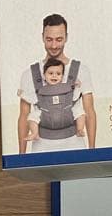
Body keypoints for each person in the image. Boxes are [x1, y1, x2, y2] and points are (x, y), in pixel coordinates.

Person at [17, 14, 96, 153]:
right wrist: (21, 155)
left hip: (75, 144)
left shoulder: (81, 70)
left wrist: (92, 151)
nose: (54, 45)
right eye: (49, 39)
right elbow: (24, 116)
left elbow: (89, 111)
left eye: (59, 39)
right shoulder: (28, 74)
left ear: (66, 37)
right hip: (41, 146)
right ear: (42, 37)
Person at [24, 56, 86, 142]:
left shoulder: (67, 87)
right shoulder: (41, 89)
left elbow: (74, 97)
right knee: (32, 116)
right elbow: (33, 99)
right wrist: (23, 94)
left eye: (58, 74)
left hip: (67, 112)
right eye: (50, 73)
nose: (54, 76)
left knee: (80, 112)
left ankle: (80, 129)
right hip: (45, 114)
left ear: (62, 76)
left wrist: (78, 87)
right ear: (44, 75)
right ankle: (35, 133)